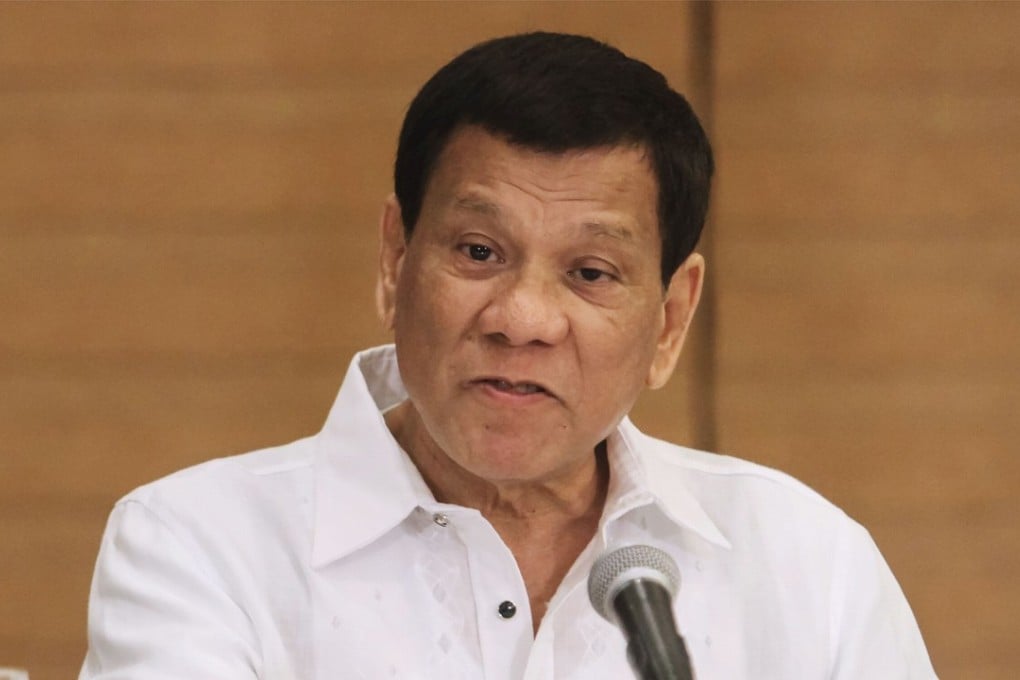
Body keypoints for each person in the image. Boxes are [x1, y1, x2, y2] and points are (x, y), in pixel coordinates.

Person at [79, 32, 936, 679]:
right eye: (479, 252)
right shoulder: (202, 548)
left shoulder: (806, 563)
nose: (522, 319)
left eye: (590, 272)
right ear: (395, 260)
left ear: (671, 319)